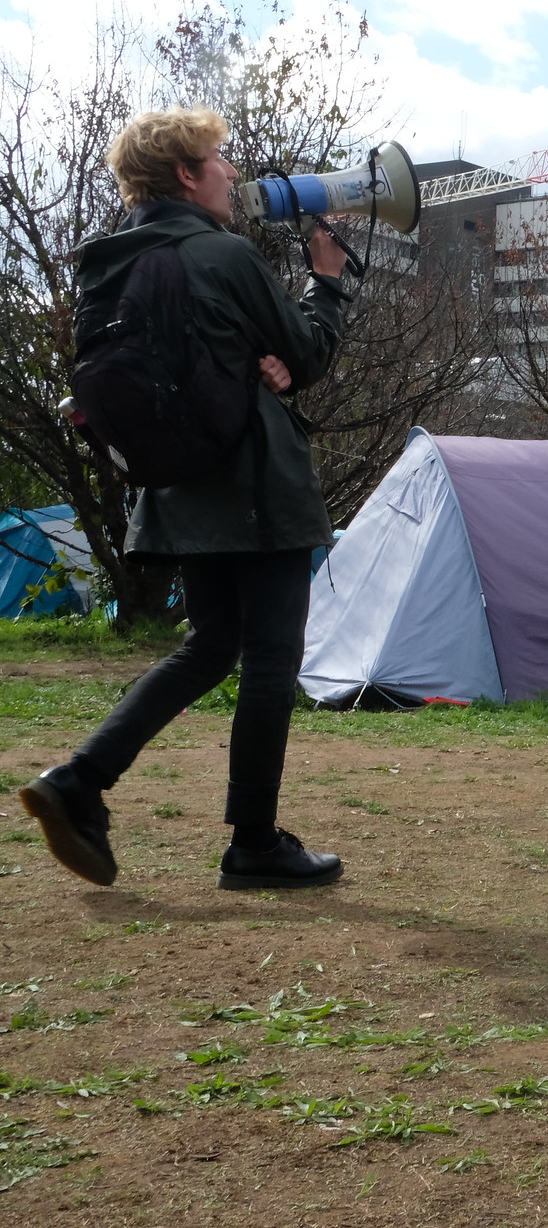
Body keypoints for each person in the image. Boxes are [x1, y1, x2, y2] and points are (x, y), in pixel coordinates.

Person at [19, 107, 351, 891]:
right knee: (271, 657)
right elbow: (305, 355)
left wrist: (263, 360)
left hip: (174, 485)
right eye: (219, 160)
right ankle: (256, 844)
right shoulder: (222, 254)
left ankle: (79, 780)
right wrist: (327, 284)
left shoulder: (106, 263)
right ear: (184, 175)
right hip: (255, 484)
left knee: (209, 645)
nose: (233, 172)